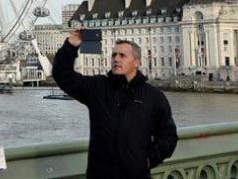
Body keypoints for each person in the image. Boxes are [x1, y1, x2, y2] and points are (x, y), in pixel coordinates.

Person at [53, 29, 178, 179]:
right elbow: (63, 75)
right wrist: (70, 45)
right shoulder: (97, 88)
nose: (116, 59)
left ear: (137, 62)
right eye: (114, 55)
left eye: (122, 55)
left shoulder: (153, 96)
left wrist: (147, 160)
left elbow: (168, 136)